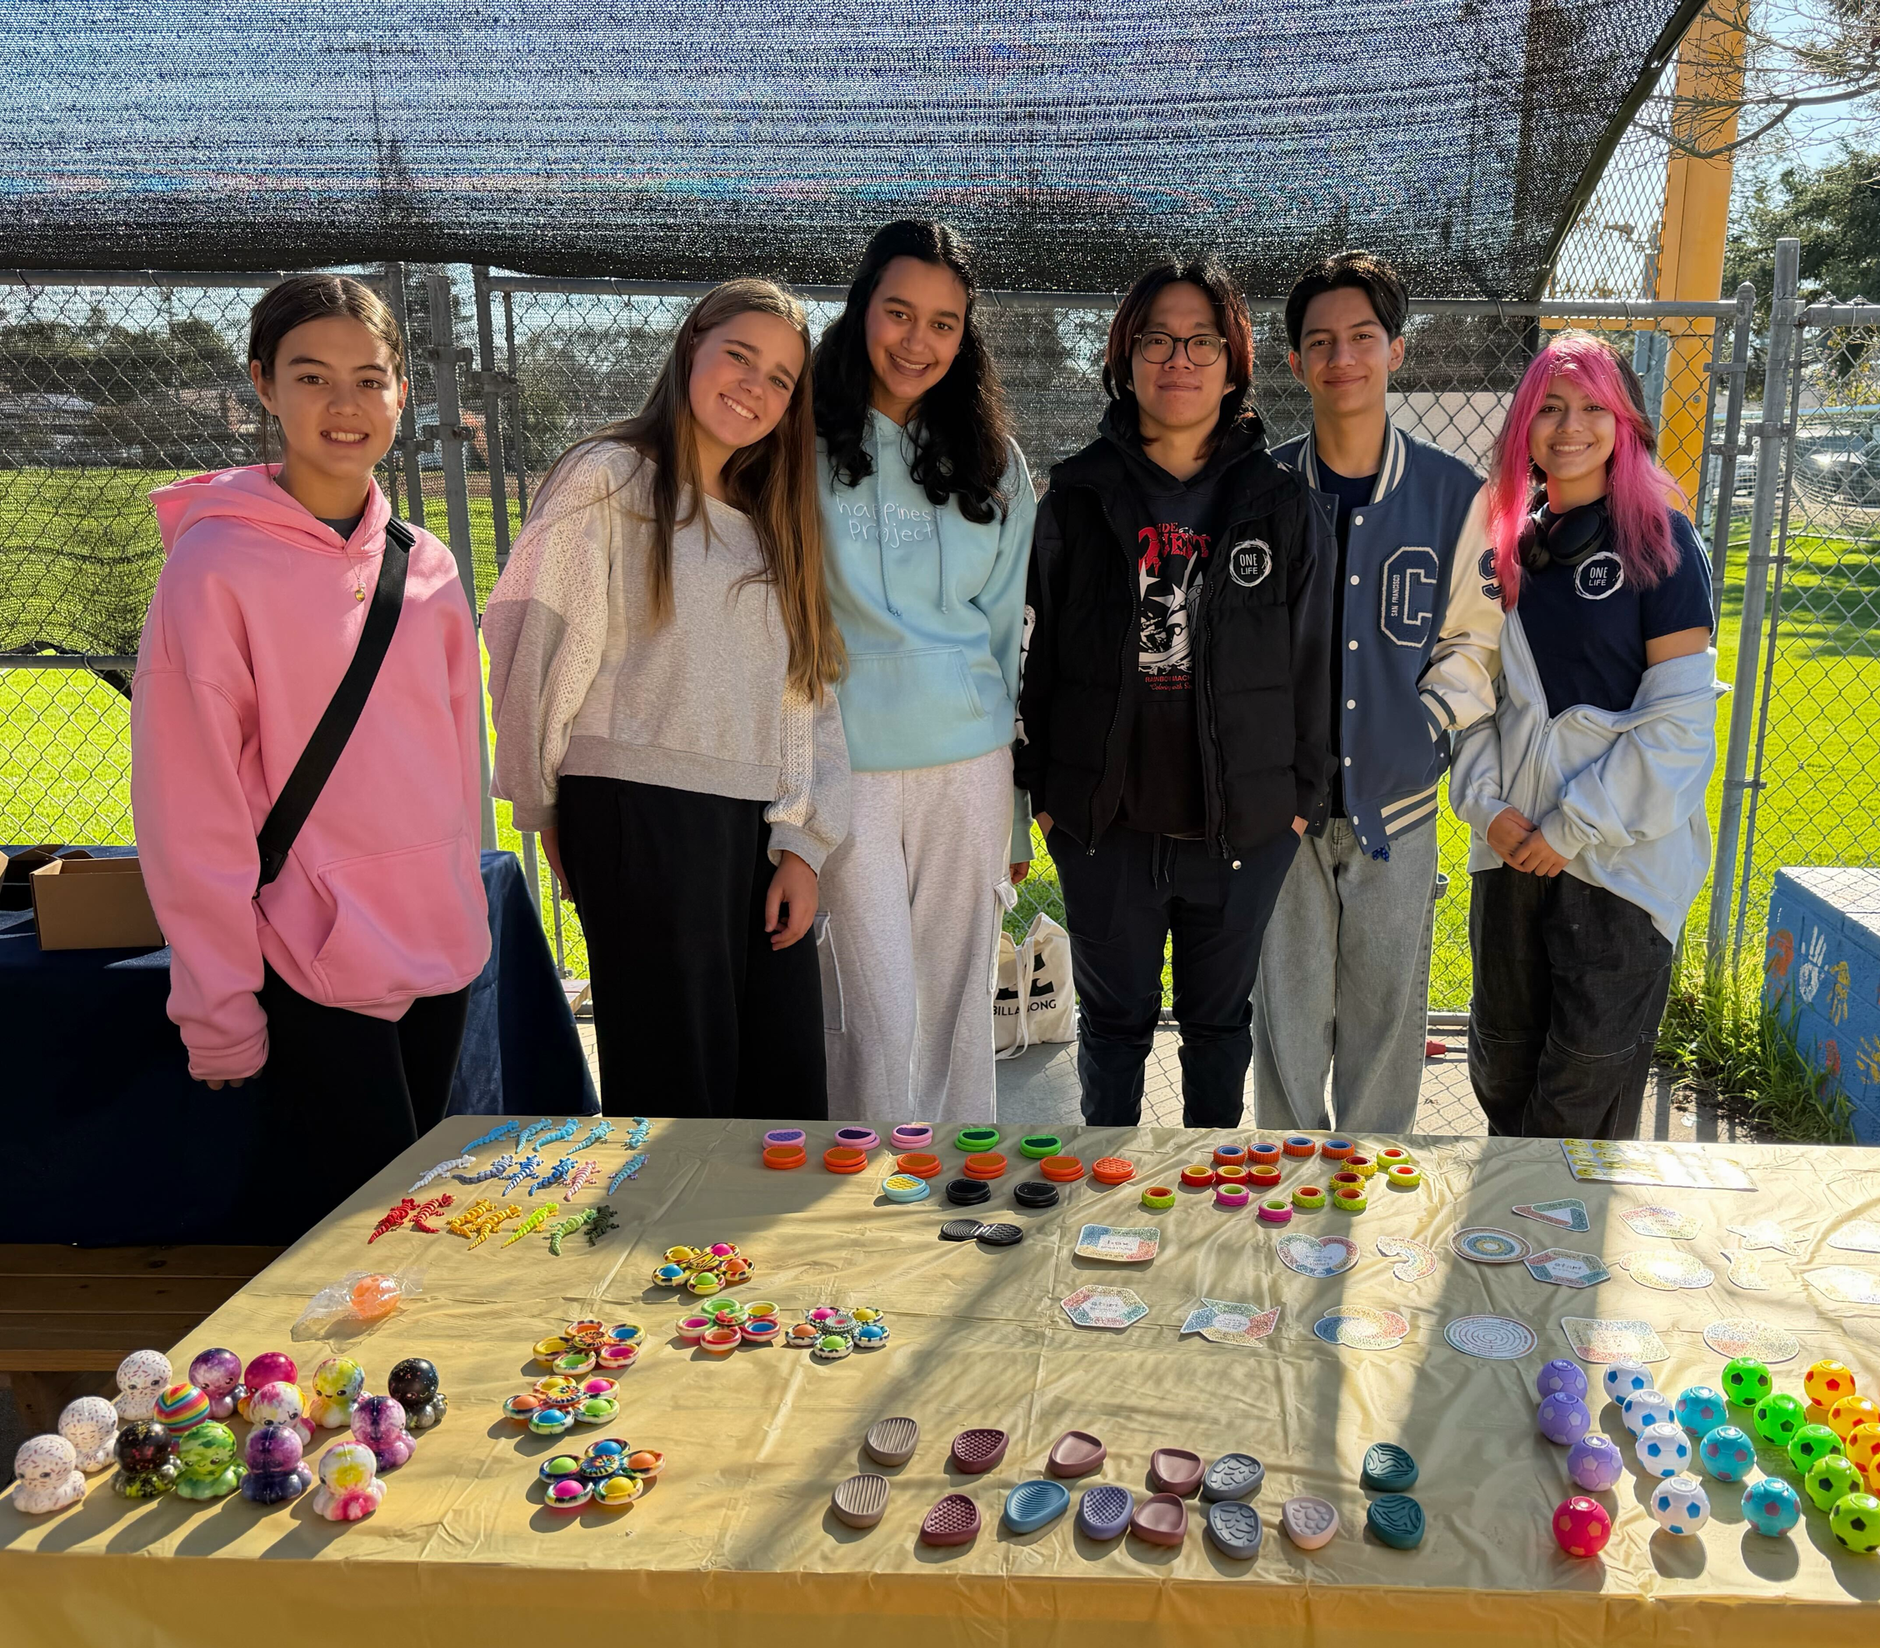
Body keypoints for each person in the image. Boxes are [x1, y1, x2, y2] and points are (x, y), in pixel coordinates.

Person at [132, 273, 489, 1238]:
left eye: (371, 379)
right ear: (262, 384)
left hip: (437, 953)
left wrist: (463, 903)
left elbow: (463, 771)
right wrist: (218, 1003)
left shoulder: (430, 565)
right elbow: (188, 807)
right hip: (307, 957)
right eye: (312, 376)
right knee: (349, 1250)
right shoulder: (211, 570)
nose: (345, 405)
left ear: (404, 393)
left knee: (428, 1226)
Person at [483, 279, 848, 1119]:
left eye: (783, 378)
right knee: (677, 1099)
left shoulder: (777, 521)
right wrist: (544, 809)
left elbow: (810, 697)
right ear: (691, 348)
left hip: (755, 833)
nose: (756, 387)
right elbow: (530, 646)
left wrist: (802, 842)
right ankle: (668, 1254)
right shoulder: (607, 480)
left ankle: (758, 1257)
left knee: (783, 1091)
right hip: (639, 822)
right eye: (740, 357)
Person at [1015, 256, 1333, 1127]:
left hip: (1239, 829)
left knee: (1218, 1026)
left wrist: (1297, 802)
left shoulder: (1279, 504)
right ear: (1125, 357)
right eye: (1157, 338)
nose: (1178, 359)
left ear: (1234, 363)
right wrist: (1050, 801)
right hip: (1105, 828)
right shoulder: (1076, 496)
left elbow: (1314, 669)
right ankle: (1104, 1194)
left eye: (1200, 340)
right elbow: (1031, 658)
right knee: (1113, 1029)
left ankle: (1204, 1207)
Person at [1449, 331, 1723, 1138]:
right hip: (1509, 853)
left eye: (1591, 407)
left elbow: (1678, 730)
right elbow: (1471, 700)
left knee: (1577, 1108)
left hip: (1615, 868)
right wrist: (1487, 808)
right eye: (1550, 408)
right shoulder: (1499, 551)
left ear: (1625, 422)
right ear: (1525, 426)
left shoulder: (1663, 546)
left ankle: (1559, 1260)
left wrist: (1570, 829)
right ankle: (1501, 1256)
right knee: (1502, 1074)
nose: (1569, 427)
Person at [1252, 251, 1501, 1135]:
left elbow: (1476, 641)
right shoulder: (1263, 490)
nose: (1341, 357)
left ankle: (1369, 1203)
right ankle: (1283, 1196)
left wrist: (1418, 727)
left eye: (1362, 337)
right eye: (1320, 342)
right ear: (1295, 364)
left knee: (1387, 1019)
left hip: (1396, 805)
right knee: (1284, 1020)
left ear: (1396, 351)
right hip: (1281, 808)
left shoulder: (1453, 495)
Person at [812, 220, 1036, 1125]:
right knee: (875, 1008)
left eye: (945, 323)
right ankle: (863, 1204)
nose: (918, 341)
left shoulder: (996, 463)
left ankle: (952, 1192)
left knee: (954, 1007)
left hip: (969, 762)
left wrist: (1016, 810)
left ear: (966, 334)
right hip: (843, 761)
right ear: (862, 309)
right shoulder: (797, 444)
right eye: (899, 313)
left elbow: (1006, 643)